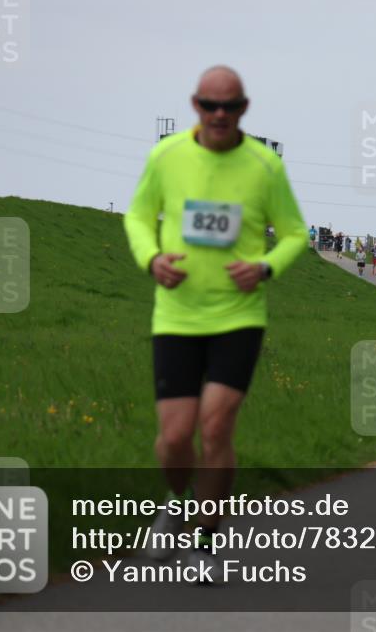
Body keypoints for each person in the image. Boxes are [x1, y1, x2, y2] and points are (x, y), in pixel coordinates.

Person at [123, 65, 308, 581]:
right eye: (210, 105)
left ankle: (205, 541)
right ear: (195, 105)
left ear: (245, 108)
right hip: (177, 317)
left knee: (216, 425)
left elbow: (296, 232)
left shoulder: (264, 166)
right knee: (175, 438)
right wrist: (150, 258)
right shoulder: (167, 156)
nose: (219, 115)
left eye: (229, 106)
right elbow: (138, 216)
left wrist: (266, 266)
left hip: (238, 316)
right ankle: (175, 503)